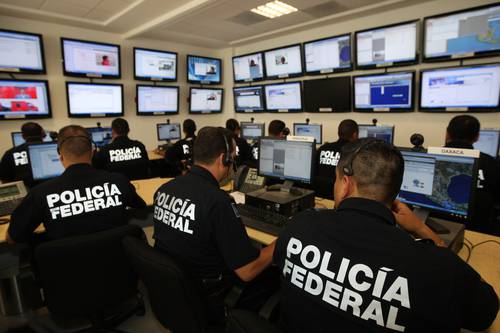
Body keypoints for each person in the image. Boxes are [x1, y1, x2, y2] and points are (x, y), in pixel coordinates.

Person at [273, 138, 499, 333]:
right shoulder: (437, 266)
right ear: (395, 191)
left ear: (345, 184)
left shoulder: (300, 225)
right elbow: (485, 313)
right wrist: (424, 232)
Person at [153, 126, 277, 322]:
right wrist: (283, 241)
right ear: (223, 159)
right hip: (209, 294)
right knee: (274, 275)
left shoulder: (164, 189)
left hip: (176, 291)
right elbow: (247, 271)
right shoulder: (218, 202)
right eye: (233, 159)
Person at [7, 125, 146, 243]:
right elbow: (140, 206)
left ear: (60, 155)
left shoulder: (39, 194)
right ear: (92, 152)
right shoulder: (119, 181)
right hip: (117, 264)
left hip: (66, 270)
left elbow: (13, 237)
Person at [445, 115, 500, 235]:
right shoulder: (492, 163)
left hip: (435, 226)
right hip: (479, 231)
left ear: (447, 134)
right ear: (477, 137)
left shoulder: (428, 156)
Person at [314, 119, 359, 198]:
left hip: (318, 196)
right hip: (340, 198)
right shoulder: (353, 153)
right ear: (355, 135)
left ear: (338, 133)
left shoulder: (323, 148)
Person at [0, 122, 45, 187]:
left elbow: (5, 180)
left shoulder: (9, 154)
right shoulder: (55, 148)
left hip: (25, 193)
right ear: (43, 134)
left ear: (23, 136)